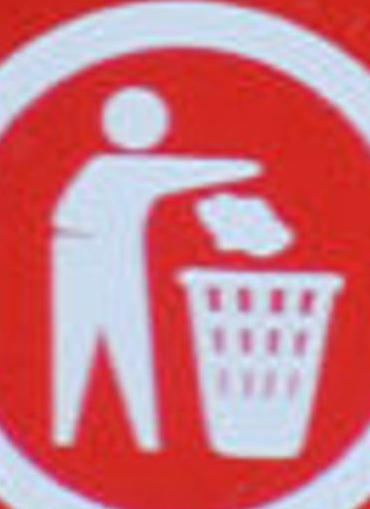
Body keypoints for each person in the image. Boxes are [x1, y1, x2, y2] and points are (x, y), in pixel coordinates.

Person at [46, 83, 263, 453]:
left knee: (125, 349)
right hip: (84, 258)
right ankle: (71, 434)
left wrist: (245, 169)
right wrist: (247, 168)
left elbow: (173, 172)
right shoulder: (114, 170)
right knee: (93, 350)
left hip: (98, 255)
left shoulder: (106, 169)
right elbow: (178, 172)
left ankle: (143, 438)